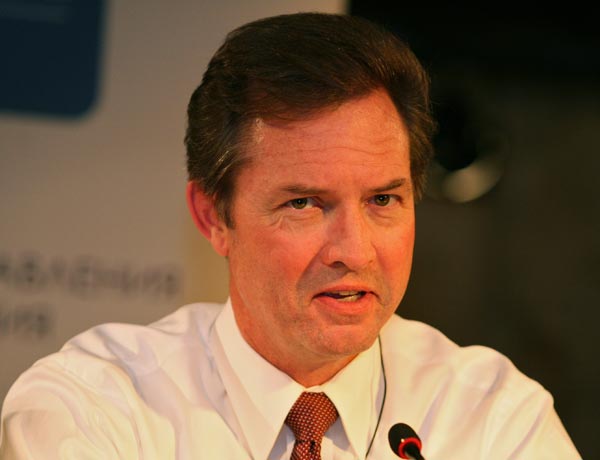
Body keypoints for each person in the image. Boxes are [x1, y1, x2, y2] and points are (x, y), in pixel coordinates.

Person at [0, 12, 580, 460]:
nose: (354, 251)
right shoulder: (97, 403)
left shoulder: (488, 416)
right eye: (304, 204)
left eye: (382, 200)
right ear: (213, 217)